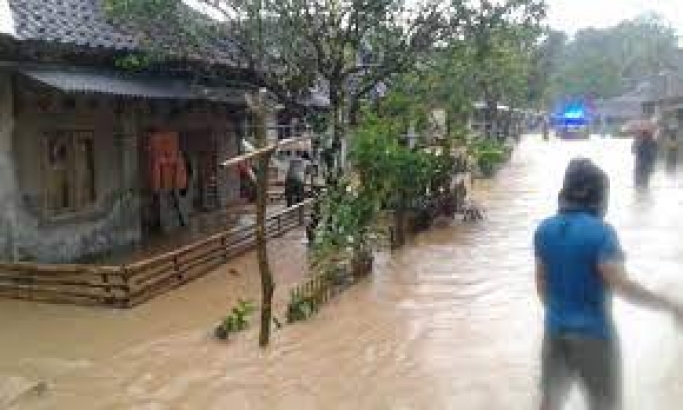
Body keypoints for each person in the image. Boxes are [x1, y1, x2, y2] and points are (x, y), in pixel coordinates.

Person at [534, 158, 683, 410]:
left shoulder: (544, 229)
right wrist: (668, 304)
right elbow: (622, 286)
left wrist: (560, 314)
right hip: (594, 335)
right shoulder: (602, 233)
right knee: (604, 405)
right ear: (598, 194)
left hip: (554, 331)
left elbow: (541, 283)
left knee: (550, 402)